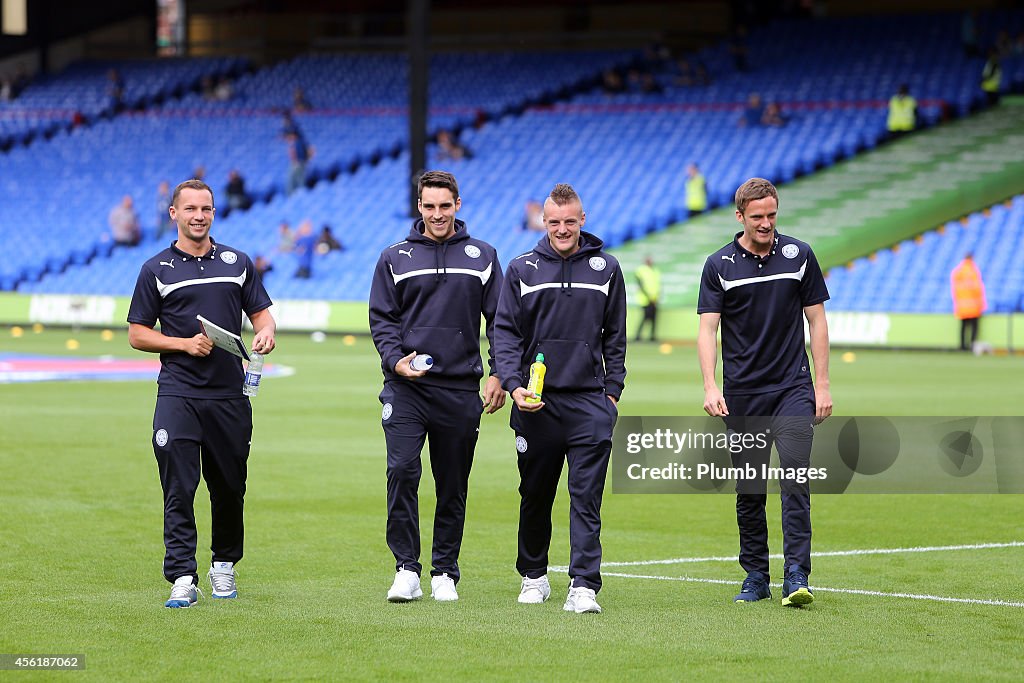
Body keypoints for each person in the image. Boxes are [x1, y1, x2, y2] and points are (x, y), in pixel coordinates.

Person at [126, 179, 277, 608]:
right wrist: (184, 344)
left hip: (230, 396)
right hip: (178, 395)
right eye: (190, 208)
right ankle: (183, 576)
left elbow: (263, 318)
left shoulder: (238, 262)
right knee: (179, 486)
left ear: (213, 213)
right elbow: (137, 334)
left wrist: (265, 336)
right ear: (173, 214)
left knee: (229, 488)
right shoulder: (155, 270)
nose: (198, 215)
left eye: (206, 208)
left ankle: (224, 566)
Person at [369, 170, 505, 604]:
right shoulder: (394, 257)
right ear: (419, 207)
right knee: (402, 471)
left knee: (452, 483)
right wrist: (395, 361)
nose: (437, 214)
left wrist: (499, 372)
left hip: (460, 389)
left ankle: (444, 570)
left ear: (458, 205)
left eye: (445, 206)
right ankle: (406, 569)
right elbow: (382, 320)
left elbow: (501, 322)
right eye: (429, 206)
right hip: (406, 387)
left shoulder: (482, 256)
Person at [697, 177, 831, 608]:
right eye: (758, 217)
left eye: (772, 215)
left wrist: (822, 384)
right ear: (740, 217)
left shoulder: (799, 256)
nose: (767, 223)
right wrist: (710, 384)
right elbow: (707, 330)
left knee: (795, 477)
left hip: (793, 387)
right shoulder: (719, 265)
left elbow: (818, 321)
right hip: (743, 395)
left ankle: (797, 574)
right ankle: (756, 575)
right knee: (750, 488)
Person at [494, 183, 627, 615]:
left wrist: (611, 394)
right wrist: (514, 387)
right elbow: (505, 335)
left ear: (582, 220)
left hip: (590, 403)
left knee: (586, 497)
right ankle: (533, 577)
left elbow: (616, 337)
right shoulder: (521, 269)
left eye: (570, 221)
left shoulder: (607, 268)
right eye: (554, 222)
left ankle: (584, 585)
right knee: (535, 494)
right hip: (536, 404)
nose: (563, 229)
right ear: (544, 221)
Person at [951, 252, 986, 352]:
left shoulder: (958, 271)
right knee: (974, 327)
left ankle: (962, 346)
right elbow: (977, 289)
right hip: (973, 306)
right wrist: (982, 304)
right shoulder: (973, 271)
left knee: (963, 326)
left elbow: (955, 289)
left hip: (962, 306)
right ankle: (972, 345)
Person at [634, 256, 661, 342]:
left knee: (654, 318)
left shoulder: (655, 270)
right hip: (645, 299)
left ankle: (652, 336)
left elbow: (658, 285)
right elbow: (640, 284)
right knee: (645, 318)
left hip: (655, 299)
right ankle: (638, 336)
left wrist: (656, 297)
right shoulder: (641, 270)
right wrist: (649, 297)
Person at [285, 129, 312, 194]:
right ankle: (296, 193)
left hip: (299, 163)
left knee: (297, 179)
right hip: (299, 163)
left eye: (291, 135)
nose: (290, 137)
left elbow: (301, 154)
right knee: (297, 179)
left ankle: (297, 194)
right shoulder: (297, 142)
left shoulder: (298, 143)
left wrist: (298, 162)